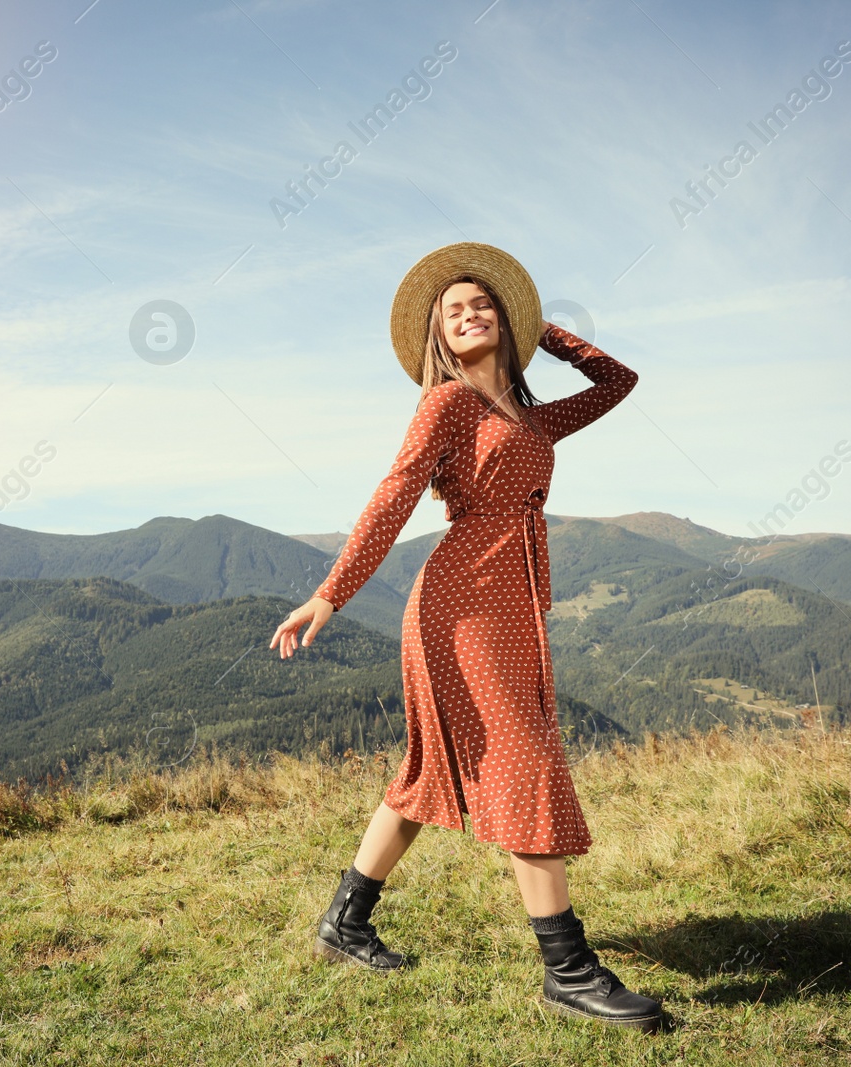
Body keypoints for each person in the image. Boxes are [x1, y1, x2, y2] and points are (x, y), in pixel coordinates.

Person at [267, 242, 661, 1032]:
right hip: (458, 606)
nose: (471, 312)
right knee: (525, 757)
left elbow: (619, 382)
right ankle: (568, 968)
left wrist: (543, 328)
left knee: (424, 773)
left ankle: (344, 921)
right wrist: (329, 594)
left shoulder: (530, 415)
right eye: (455, 310)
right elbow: (394, 494)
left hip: (511, 603)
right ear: (438, 338)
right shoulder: (445, 406)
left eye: (484, 303)